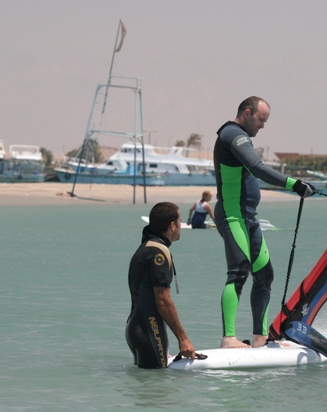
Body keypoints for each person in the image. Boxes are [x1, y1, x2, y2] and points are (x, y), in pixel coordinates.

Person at [213, 96, 315, 349]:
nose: (262, 126)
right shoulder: (231, 134)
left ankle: (260, 337)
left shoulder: (242, 137)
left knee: (264, 275)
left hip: (249, 219)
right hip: (231, 214)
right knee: (239, 271)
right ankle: (228, 338)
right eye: (261, 119)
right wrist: (294, 184)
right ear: (247, 113)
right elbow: (257, 168)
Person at [125, 201, 196, 368]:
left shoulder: (146, 247)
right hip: (148, 330)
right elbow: (163, 300)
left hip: (136, 327)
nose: (180, 226)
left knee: (148, 387)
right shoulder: (158, 253)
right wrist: (183, 339)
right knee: (156, 391)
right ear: (172, 225)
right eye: (179, 221)